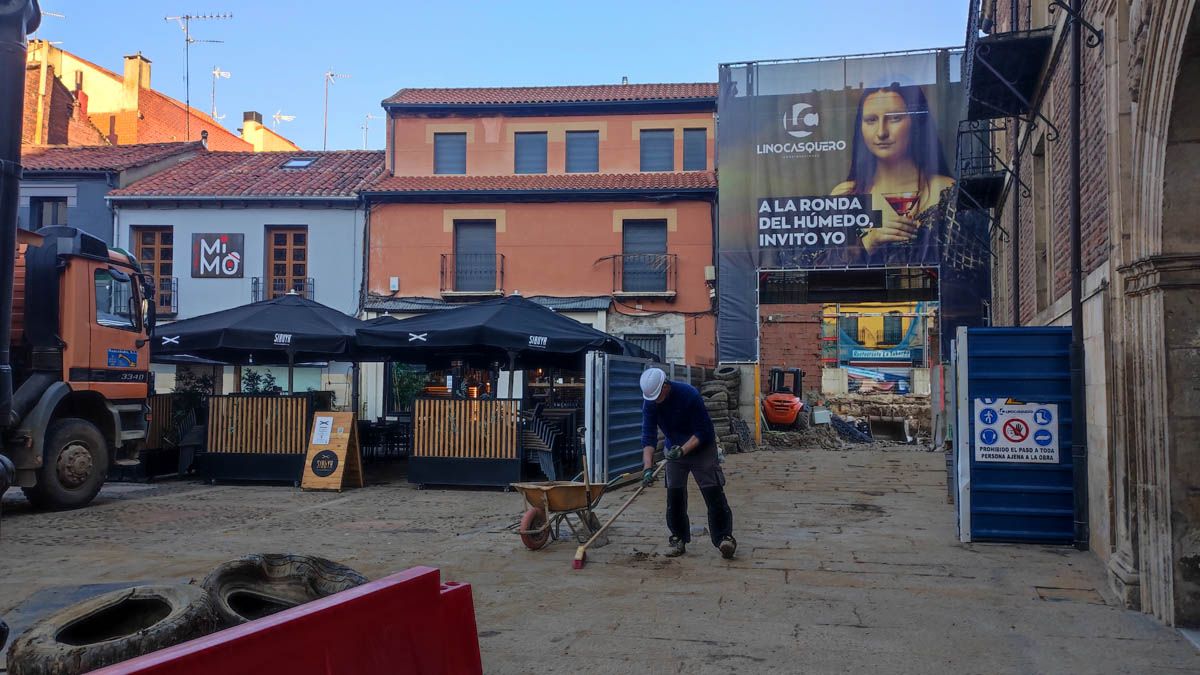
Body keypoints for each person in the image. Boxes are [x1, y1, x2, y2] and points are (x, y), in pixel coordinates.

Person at [828, 83, 955, 267]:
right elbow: (826, 272)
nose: (881, 132)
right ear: (860, 127)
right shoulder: (844, 195)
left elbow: (965, 270)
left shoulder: (946, 191)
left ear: (915, 124)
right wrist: (869, 242)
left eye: (894, 118)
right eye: (871, 120)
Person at [639, 367, 736, 559]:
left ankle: (724, 537)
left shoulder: (688, 394)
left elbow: (703, 431)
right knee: (674, 495)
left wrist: (683, 450)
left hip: (701, 448)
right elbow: (648, 437)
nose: (656, 400)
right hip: (674, 449)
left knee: (712, 491)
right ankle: (678, 538)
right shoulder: (650, 402)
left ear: (666, 385)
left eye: (658, 395)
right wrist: (647, 468)